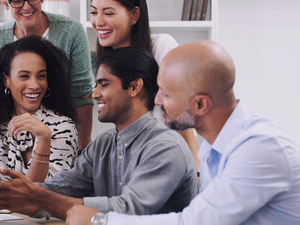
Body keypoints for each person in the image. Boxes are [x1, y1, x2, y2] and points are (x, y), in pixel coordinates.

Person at [66, 41, 300, 225]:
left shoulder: (259, 149)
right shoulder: (212, 145)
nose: (156, 100)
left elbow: (192, 222)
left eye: (165, 94)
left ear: (200, 105)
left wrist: (100, 220)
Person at [0, 47, 198, 219]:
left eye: (103, 85)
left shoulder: (166, 147)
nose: (94, 94)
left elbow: (129, 210)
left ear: (134, 87)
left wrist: (34, 195)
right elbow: (63, 187)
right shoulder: (103, 144)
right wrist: (3, 191)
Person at [89, 0, 200, 173]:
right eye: (93, 12)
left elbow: (183, 113)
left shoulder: (161, 46)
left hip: (170, 160)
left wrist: (196, 169)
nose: (98, 21)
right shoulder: (104, 63)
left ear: (134, 15)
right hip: (132, 164)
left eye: (108, 13)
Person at [0, 0, 93, 150]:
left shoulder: (71, 31)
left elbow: (82, 96)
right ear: (5, 3)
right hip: (9, 140)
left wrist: (82, 153)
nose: (26, 6)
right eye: (17, 0)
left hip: (60, 139)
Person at [0, 36, 78, 182]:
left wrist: (44, 138)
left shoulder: (63, 127)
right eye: (24, 76)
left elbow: (44, 193)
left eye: (41, 76)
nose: (34, 85)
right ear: (6, 80)